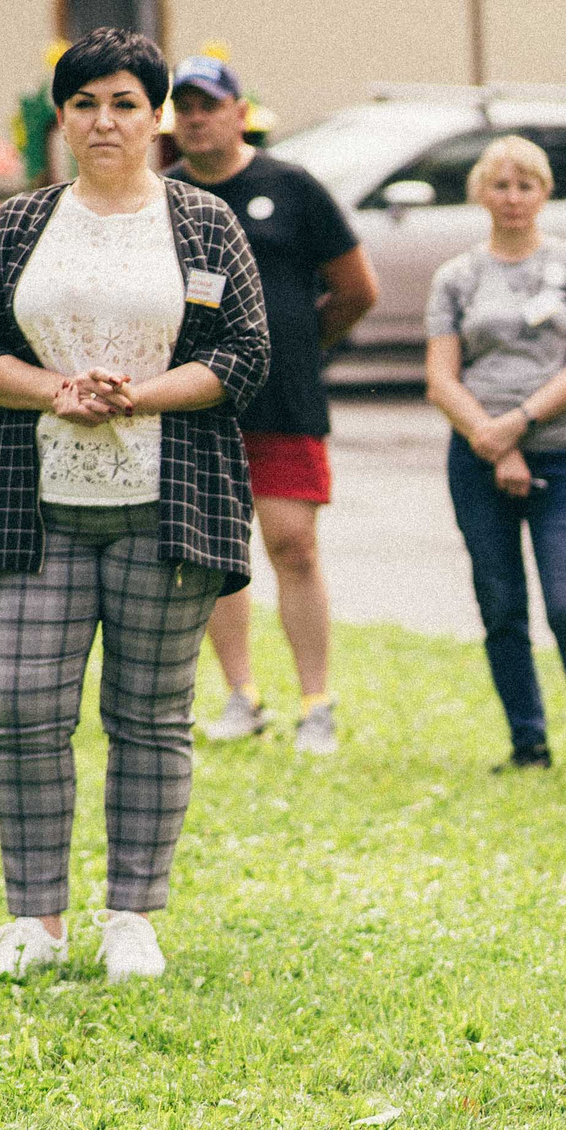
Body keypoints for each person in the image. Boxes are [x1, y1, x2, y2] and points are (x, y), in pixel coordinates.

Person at [0, 27, 269, 985]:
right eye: (86, 103)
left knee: (150, 716)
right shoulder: (20, 222)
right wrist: (55, 389)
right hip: (33, 499)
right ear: (63, 115)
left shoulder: (205, 222)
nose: (105, 120)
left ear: (156, 116)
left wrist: (139, 392)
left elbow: (246, 354)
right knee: (23, 712)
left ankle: (131, 915)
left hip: (169, 503)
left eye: (126, 103)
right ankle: (34, 920)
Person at [165, 56, 378, 756]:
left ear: (238, 111)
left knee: (293, 544)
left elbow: (355, 289)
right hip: (199, 404)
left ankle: (316, 700)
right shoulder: (164, 196)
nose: (196, 118)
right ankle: (241, 694)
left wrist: (298, 343)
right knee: (217, 556)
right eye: (185, 107)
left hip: (285, 401)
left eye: (209, 105)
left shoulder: (291, 188)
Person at [426, 136, 566, 775]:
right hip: (476, 454)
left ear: (546, 193)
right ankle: (528, 742)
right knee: (500, 601)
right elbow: (441, 378)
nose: (513, 198)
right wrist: (489, 440)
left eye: (527, 185)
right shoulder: (457, 276)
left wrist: (515, 427)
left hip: (562, 454)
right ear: (481, 192)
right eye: (501, 185)